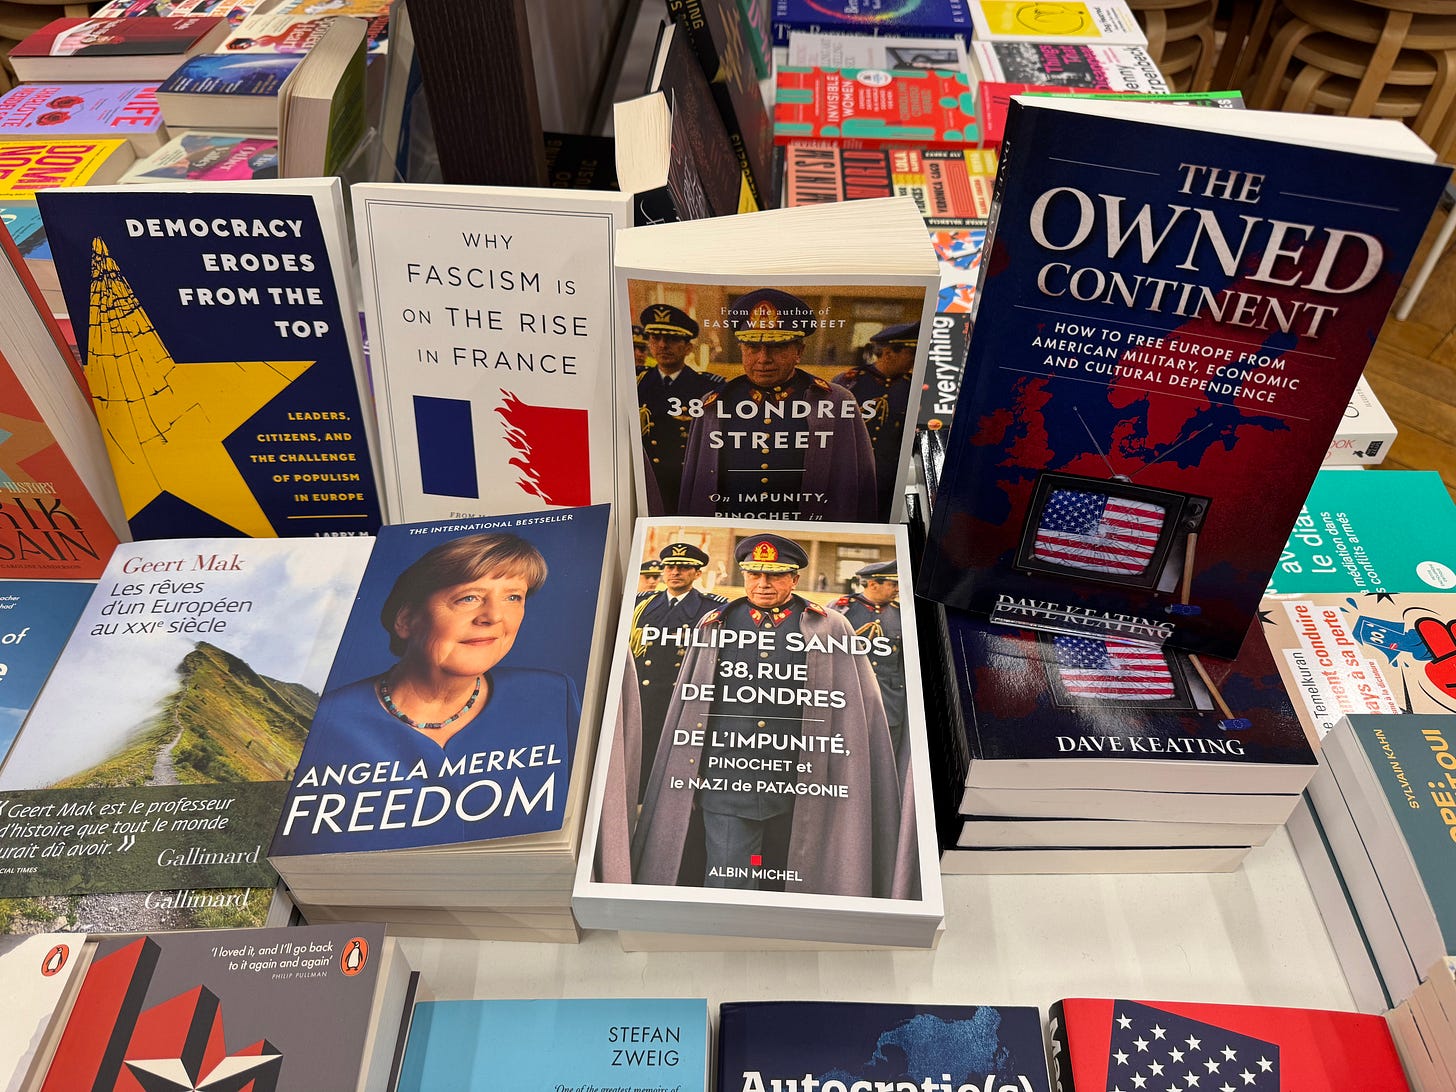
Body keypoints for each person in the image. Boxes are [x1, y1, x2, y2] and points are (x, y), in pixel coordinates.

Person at [632, 533, 912, 898]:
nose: (763, 583)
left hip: (805, 786)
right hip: (727, 784)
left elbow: (859, 712)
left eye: (776, 575)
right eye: (754, 574)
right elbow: (692, 709)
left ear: (794, 578)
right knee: (728, 884)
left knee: (791, 883)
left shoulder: (829, 625)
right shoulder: (715, 623)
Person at [281, 532, 579, 852]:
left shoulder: (553, 696)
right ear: (406, 620)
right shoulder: (323, 720)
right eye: (469, 598)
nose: (493, 616)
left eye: (513, 597)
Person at [679, 289, 877, 522]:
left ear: (799, 351)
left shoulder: (835, 401)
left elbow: (860, 484)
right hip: (731, 527)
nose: (763, 358)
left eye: (777, 347)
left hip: (808, 528)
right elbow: (696, 485)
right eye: (753, 347)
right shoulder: (713, 405)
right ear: (741, 349)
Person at [628, 542, 727, 799]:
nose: (675, 572)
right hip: (643, 697)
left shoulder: (711, 609)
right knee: (639, 759)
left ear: (697, 573)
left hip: (681, 698)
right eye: (670, 567)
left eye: (683, 567)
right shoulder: (642, 604)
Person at [636, 303, 723, 512]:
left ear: (688, 348)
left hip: (686, 486)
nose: (663, 345)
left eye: (672, 339)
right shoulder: (635, 382)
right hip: (645, 483)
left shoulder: (708, 388)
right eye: (656, 338)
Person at [829, 560, 907, 777]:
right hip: (847, 698)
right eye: (892, 584)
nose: (897, 589)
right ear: (873, 584)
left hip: (889, 700)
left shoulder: (902, 614)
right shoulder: (841, 610)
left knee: (885, 763)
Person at [833, 321, 917, 518]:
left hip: (888, 481)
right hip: (849, 477)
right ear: (888, 353)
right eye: (910, 354)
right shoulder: (850, 382)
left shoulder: (911, 387)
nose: (914, 360)